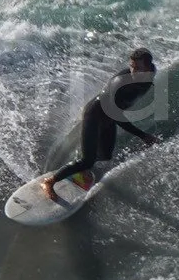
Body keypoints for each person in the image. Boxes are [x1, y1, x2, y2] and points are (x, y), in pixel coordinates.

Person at [51, 47, 162, 192]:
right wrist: (143, 136)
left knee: (106, 155)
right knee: (87, 161)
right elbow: (117, 116)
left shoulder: (150, 74)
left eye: (137, 68)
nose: (133, 71)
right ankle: (51, 181)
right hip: (94, 115)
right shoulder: (121, 85)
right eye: (131, 66)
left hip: (108, 117)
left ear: (148, 68)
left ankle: (80, 166)